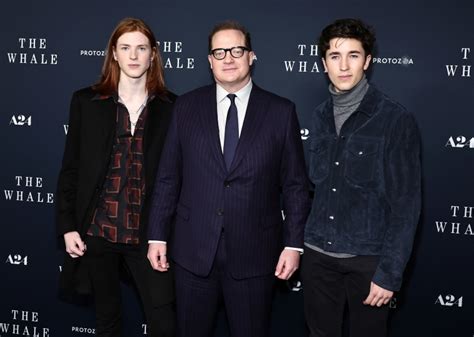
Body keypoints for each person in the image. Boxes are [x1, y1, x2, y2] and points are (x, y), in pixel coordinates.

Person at [147, 21, 310, 337]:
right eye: (219, 52)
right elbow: (168, 177)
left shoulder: (280, 111)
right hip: (193, 252)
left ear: (251, 56)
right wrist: (157, 235)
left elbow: (295, 185)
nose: (228, 58)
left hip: (255, 254)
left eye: (237, 50)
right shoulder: (186, 107)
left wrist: (293, 244)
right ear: (209, 60)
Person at [302, 18, 422, 337]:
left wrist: (389, 274)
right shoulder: (318, 117)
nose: (343, 66)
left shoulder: (395, 120)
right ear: (324, 63)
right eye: (334, 56)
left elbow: (406, 207)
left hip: (368, 262)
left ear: (367, 62)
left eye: (353, 55)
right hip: (317, 256)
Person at [56, 17, 175, 337]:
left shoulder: (172, 107)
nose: (134, 56)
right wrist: (68, 226)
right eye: (125, 48)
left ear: (153, 55)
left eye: (141, 48)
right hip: (99, 230)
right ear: (114, 54)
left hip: (149, 236)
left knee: (164, 322)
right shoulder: (87, 102)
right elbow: (71, 169)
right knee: (107, 320)